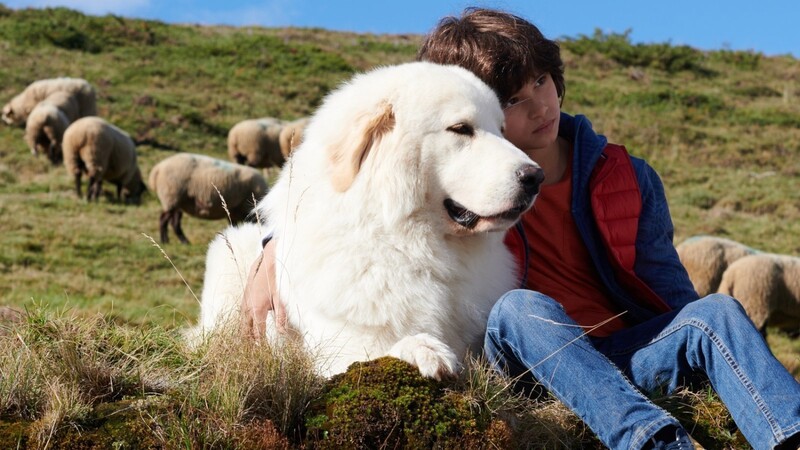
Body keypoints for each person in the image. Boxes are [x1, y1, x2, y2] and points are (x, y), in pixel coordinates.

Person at [241, 7, 800, 450]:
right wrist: (275, 246)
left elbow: (665, 291)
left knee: (716, 313)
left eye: (541, 81)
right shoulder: (474, 187)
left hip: (622, 357)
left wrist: (695, 358)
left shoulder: (625, 176)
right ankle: (656, 443)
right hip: (533, 363)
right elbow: (342, 187)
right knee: (519, 308)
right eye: (513, 98)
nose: (539, 106)